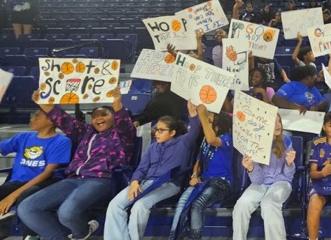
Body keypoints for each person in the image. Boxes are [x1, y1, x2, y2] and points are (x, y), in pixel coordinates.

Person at [19, 89, 136, 240]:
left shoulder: (122, 135)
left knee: (67, 212)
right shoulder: (85, 132)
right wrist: (42, 103)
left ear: (113, 117)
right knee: (27, 208)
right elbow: (63, 119)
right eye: (94, 116)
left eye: (104, 115)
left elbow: (125, 123)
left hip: (102, 180)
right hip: (73, 179)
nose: (98, 118)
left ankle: (83, 232)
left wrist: (116, 103)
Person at [105, 108, 202, 240]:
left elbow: (195, 129)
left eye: (161, 130)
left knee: (140, 206)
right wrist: (134, 183)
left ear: (173, 132)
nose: (157, 133)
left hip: (168, 184)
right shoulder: (152, 146)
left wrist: (193, 112)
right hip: (145, 183)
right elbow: (141, 168)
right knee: (115, 205)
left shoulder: (183, 143)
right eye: (156, 129)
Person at [0, 109, 71, 240]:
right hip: (16, 184)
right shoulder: (23, 137)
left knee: (26, 198)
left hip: (42, 184)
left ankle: (30, 237)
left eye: (37, 116)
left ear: (50, 120)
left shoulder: (62, 141)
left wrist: (12, 196)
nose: (32, 119)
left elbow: (47, 173)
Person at [168, 105, 234, 240]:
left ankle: (195, 237)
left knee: (198, 204)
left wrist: (203, 115)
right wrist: (194, 176)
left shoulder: (227, 138)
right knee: (182, 203)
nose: (205, 124)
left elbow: (212, 139)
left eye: (209, 122)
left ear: (218, 126)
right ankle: (174, 236)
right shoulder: (204, 140)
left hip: (221, 182)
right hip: (203, 180)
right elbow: (199, 162)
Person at [233, 114, 296, 240]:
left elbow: (289, 175)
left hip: (281, 182)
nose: (278, 125)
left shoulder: (286, 140)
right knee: (241, 205)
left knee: (268, 203)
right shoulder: (254, 143)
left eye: (279, 121)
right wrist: (250, 168)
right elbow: (257, 180)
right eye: (274, 122)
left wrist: (290, 164)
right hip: (261, 183)